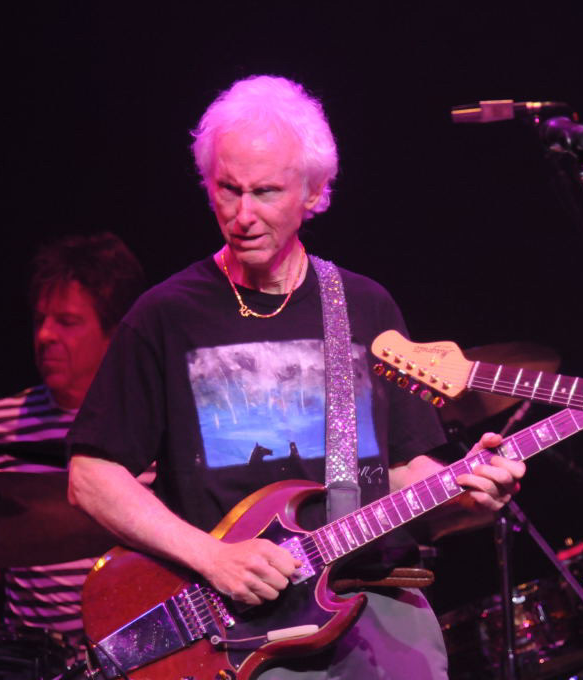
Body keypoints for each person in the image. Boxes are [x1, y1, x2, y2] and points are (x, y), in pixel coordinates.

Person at [65, 74, 524, 680]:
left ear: (314, 192)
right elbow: (91, 477)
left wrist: (467, 492)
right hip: (232, 625)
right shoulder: (166, 316)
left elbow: (403, 469)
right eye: (228, 190)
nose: (243, 215)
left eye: (266, 192)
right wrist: (213, 557)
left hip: (369, 599)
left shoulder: (364, 307)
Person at [0, 232, 145, 668]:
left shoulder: (148, 425)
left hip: (137, 655)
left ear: (113, 333)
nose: (45, 335)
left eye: (67, 321)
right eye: (40, 320)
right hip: (32, 659)